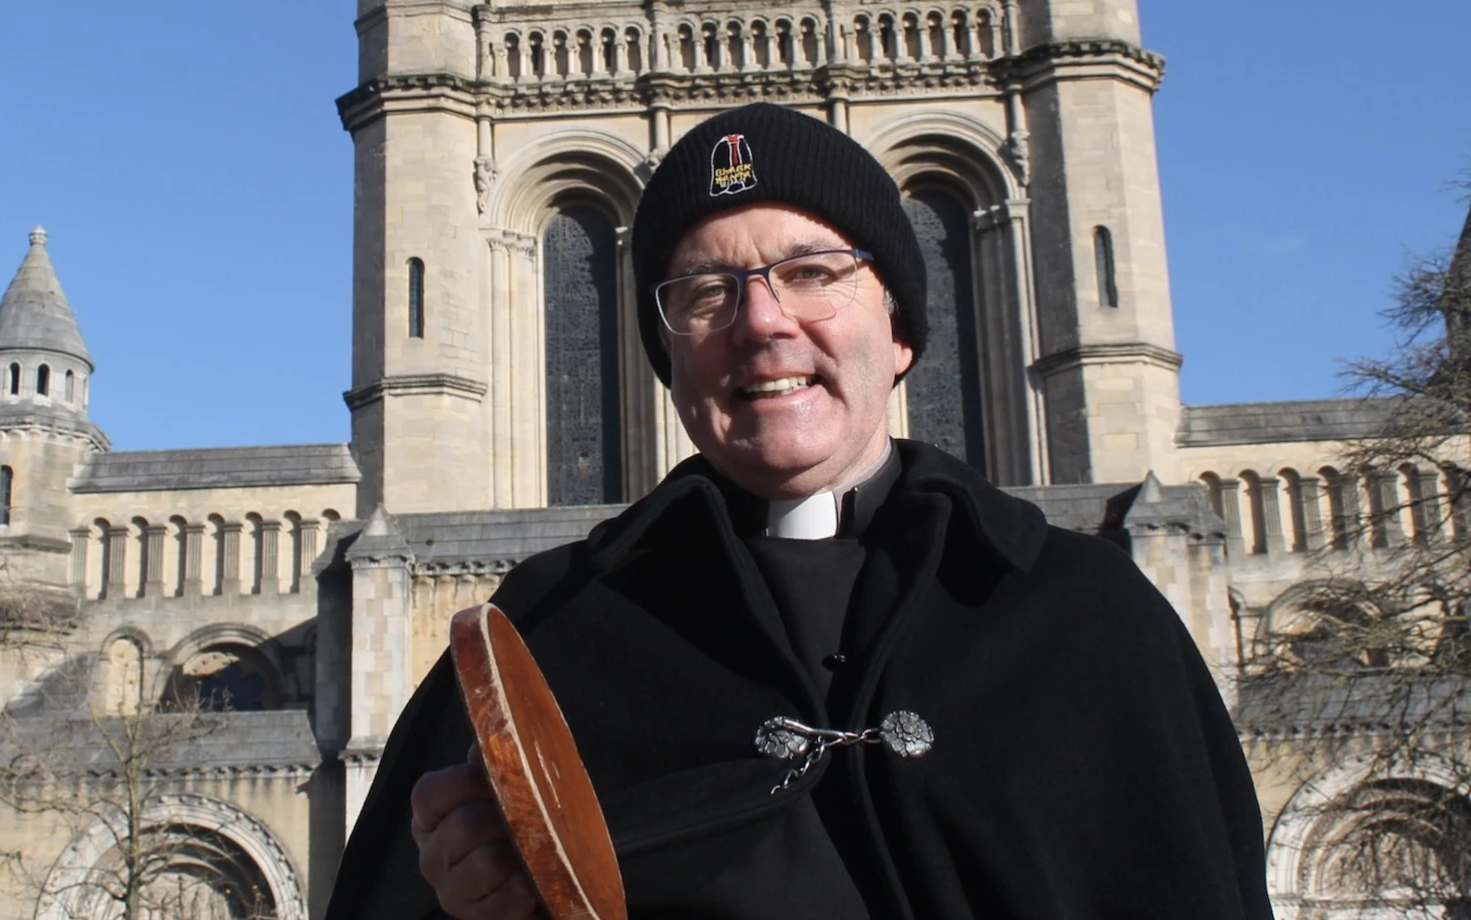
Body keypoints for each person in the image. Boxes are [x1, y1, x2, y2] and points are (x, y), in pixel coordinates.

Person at [324, 102, 1275, 920]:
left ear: (898, 328)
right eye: (705, 291)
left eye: (813, 272)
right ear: (674, 362)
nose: (761, 320)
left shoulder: (1084, 614)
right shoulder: (543, 631)